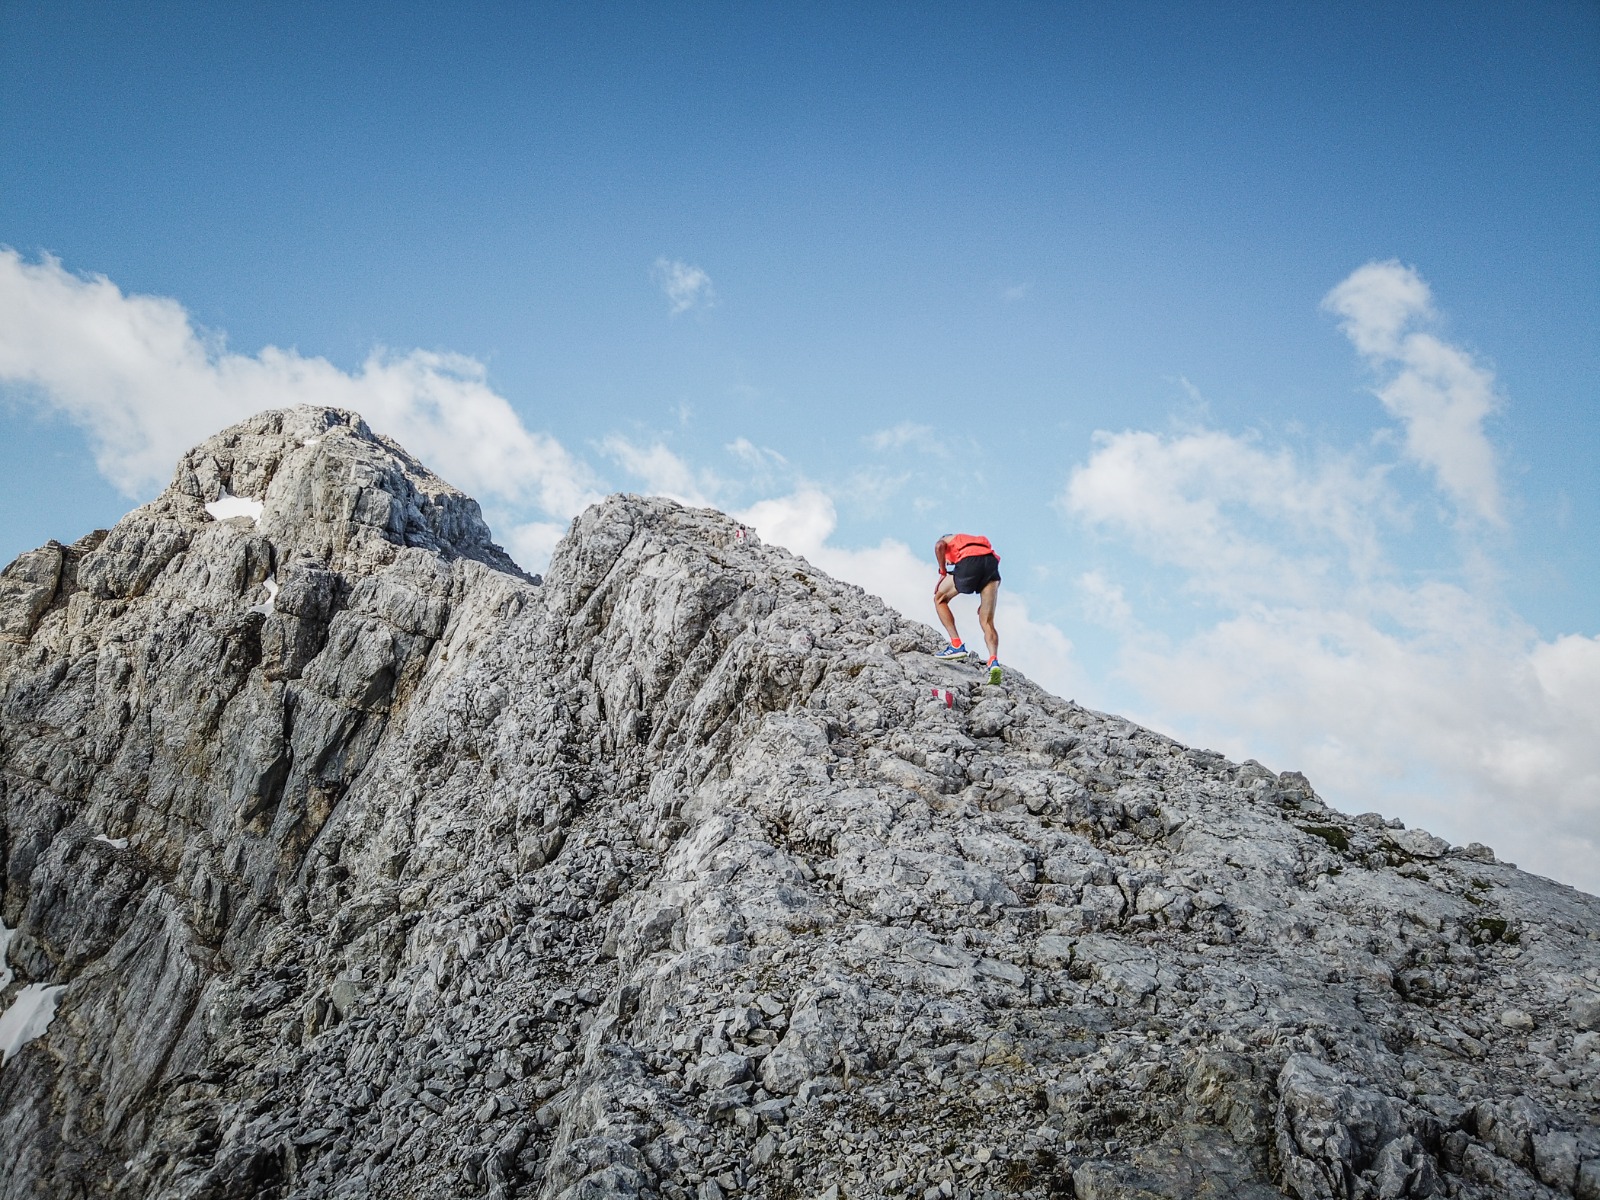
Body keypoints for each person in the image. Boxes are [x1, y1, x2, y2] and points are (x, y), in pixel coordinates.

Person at [932, 532, 1002, 684]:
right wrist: (984, 603)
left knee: (939, 599)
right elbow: (996, 570)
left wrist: (943, 571)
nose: (951, 564)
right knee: (987, 622)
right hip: (991, 567)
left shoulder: (947, 539)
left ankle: (956, 644)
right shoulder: (976, 541)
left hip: (970, 562)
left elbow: (939, 546)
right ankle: (993, 661)